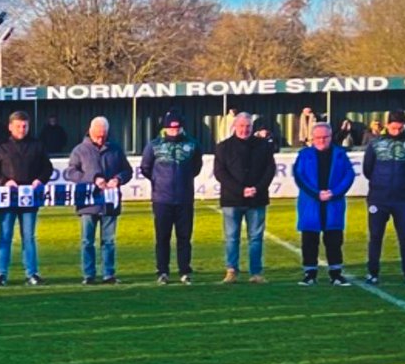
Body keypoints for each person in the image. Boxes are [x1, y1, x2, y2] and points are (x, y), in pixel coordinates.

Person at [0, 110, 53, 285]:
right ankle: (1, 274)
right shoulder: (1, 148)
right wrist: (4, 182)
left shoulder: (37, 146)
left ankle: (32, 273)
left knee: (29, 237)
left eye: (25, 126)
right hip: (7, 200)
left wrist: (40, 180)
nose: (22, 129)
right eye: (18, 126)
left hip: (29, 200)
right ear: (10, 127)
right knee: (5, 236)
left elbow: (47, 168)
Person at [66, 116, 134, 284]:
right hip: (88, 203)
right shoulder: (79, 150)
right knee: (87, 241)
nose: (100, 138)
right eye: (97, 135)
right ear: (90, 131)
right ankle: (88, 275)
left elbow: (128, 171)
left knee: (109, 241)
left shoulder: (116, 149)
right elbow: (70, 173)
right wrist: (93, 178)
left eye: (103, 136)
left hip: (110, 202)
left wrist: (118, 179)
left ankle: (108, 274)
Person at [362, 109, 405, 284]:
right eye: (393, 127)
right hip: (378, 198)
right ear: (387, 125)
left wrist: (404, 181)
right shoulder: (375, 144)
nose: (396, 131)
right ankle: (373, 273)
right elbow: (368, 169)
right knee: (375, 237)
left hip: (403, 199)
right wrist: (379, 183)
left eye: (399, 128)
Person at [140, 110, 203, 284]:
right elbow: (145, 167)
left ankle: (184, 270)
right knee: (162, 237)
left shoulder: (192, 144)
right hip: (162, 200)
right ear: (165, 128)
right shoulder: (154, 145)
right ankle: (162, 271)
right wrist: (158, 181)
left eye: (177, 128)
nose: (174, 131)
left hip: (185, 199)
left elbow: (196, 167)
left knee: (184, 237)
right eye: (171, 128)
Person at [213, 111, 276, 283]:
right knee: (232, 237)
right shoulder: (223, 147)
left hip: (257, 198)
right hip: (232, 200)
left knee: (255, 238)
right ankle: (231, 270)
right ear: (234, 126)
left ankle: (256, 272)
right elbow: (220, 173)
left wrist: (257, 188)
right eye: (241, 126)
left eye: (248, 126)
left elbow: (269, 170)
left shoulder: (263, 146)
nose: (244, 129)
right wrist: (241, 190)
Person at [293, 122, 355, 286]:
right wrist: (316, 193)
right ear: (313, 138)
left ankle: (336, 274)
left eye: (325, 137)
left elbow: (348, 176)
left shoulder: (340, 154)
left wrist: (334, 193)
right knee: (309, 240)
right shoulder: (304, 155)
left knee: (334, 240)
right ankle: (309, 274)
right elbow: (299, 177)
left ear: (330, 137)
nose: (322, 140)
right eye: (318, 137)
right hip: (310, 204)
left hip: (333, 204)